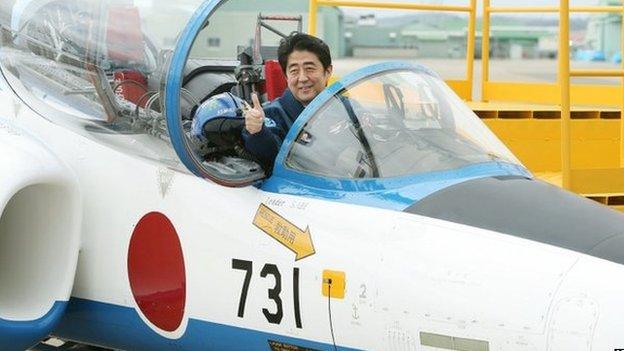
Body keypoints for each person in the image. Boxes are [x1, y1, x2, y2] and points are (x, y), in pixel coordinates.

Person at [242, 33, 333, 171]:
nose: (302, 78)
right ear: (286, 76)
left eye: (310, 69)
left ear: (327, 71)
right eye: (294, 71)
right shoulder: (270, 115)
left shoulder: (345, 107)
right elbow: (271, 157)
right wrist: (258, 131)